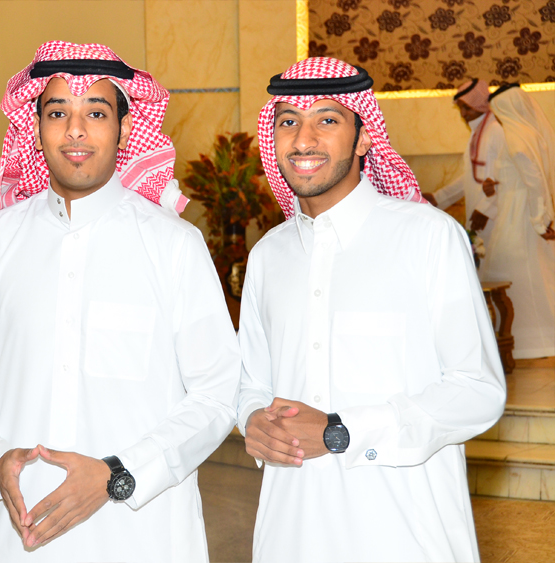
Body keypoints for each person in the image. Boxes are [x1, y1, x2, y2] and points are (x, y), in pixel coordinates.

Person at [0, 41, 240, 562]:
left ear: (125, 128)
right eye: (58, 113)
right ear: (36, 128)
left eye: (96, 113)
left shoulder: (173, 245)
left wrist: (118, 474)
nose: (75, 130)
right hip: (18, 525)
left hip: (139, 529)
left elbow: (216, 393)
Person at [238, 57, 506, 562]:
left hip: (403, 534)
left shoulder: (427, 237)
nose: (303, 139)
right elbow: (250, 382)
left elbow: (478, 390)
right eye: (288, 121)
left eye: (327, 119)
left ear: (364, 138)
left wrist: (341, 432)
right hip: (292, 529)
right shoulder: (268, 255)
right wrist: (252, 419)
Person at [479, 83, 555, 358]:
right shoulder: (529, 133)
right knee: (537, 277)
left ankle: (526, 343)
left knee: (516, 278)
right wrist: (496, 184)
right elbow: (519, 177)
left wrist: (538, 221)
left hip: (520, 216)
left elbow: (534, 183)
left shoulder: (514, 137)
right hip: (521, 212)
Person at [423, 79, 507, 243]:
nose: (462, 114)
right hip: (478, 211)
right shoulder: (478, 131)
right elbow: (471, 176)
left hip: (494, 216)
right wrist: (438, 197)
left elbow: (507, 177)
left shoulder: (496, 131)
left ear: (480, 105)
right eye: (461, 108)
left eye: (467, 108)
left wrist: (486, 209)